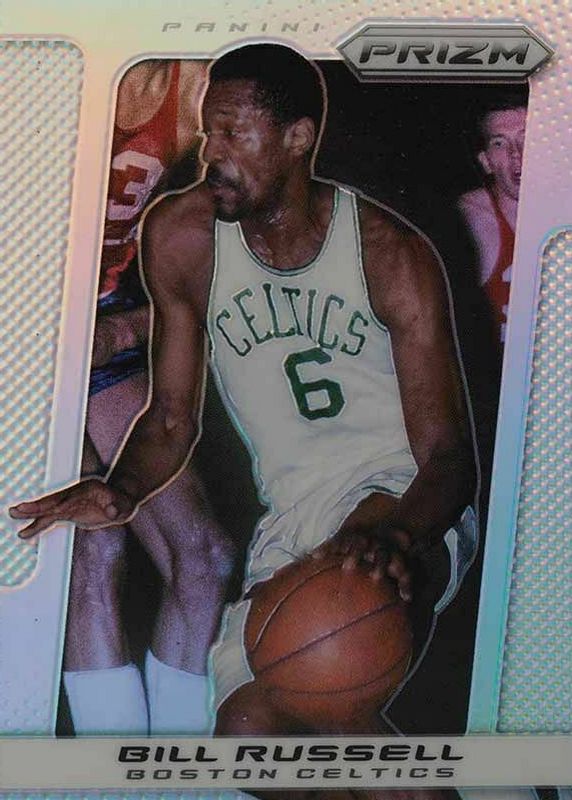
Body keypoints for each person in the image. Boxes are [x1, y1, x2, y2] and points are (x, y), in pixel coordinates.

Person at [12, 43, 477, 799]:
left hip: (398, 499)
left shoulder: (389, 254)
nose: (212, 154)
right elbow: (171, 420)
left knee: (336, 647)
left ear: (297, 138)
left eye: (234, 134)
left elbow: (448, 458)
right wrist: (122, 490)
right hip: (289, 520)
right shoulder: (182, 237)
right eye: (208, 132)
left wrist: (398, 535)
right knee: (246, 741)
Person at [64, 58, 235, 736]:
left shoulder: (197, 83)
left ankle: (177, 773)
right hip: (21, 339)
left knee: (206, 559)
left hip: (101, 325)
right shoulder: (44, 56)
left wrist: (126, 330)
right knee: (94, 544)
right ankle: (104, 773)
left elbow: (230, 261)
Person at [458, 94, 527, 349]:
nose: (516, 154)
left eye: (526, 138)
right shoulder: (470, 218)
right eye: (500, 143)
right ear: (486, 162)